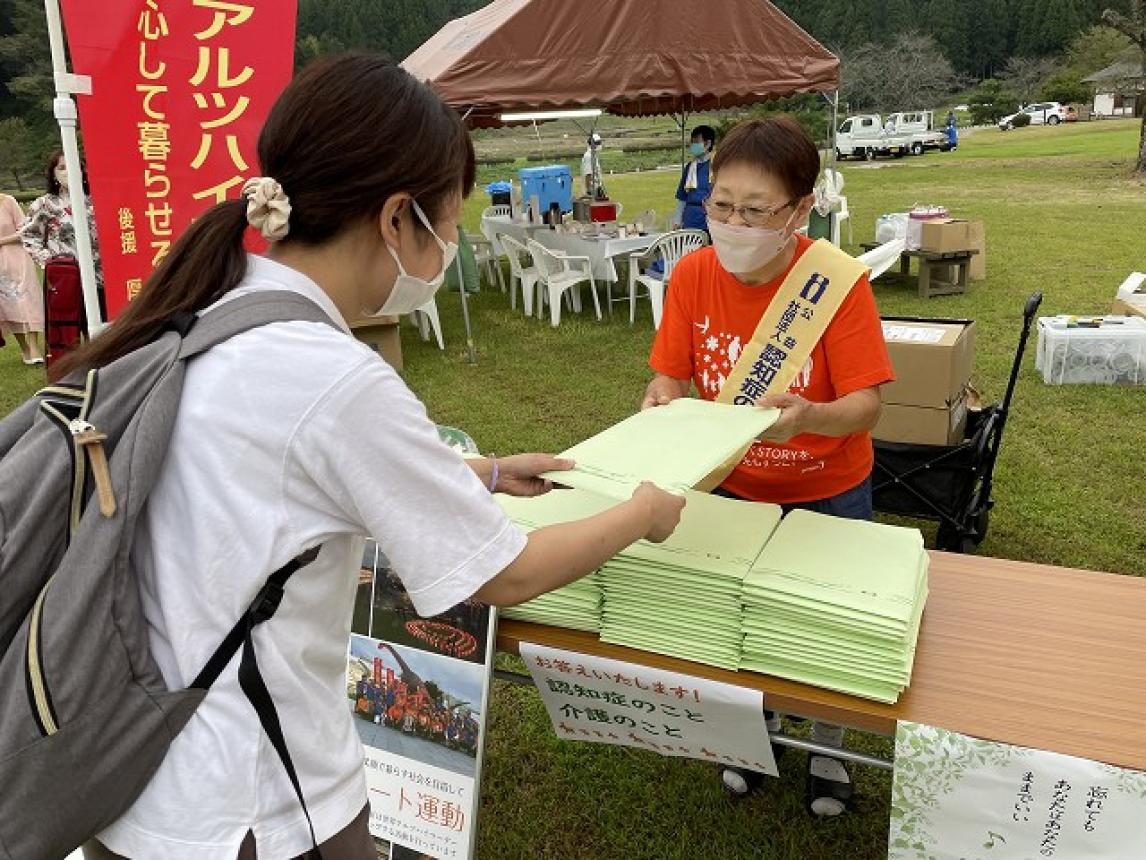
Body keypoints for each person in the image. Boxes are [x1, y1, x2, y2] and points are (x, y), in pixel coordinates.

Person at [67, 54, 683, 860]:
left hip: (134, 779)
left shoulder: (207, 311)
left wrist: (485, 473)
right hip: (256, 801)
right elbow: (507, 574)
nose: (451, 246)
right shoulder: (333, 376)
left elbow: (266, 482)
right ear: (397, 219)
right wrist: (643, 512)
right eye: (450, 222)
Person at [640, 116, 894, 817]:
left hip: (829, 488)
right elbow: (670, 374)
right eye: (720, 204)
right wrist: (662, 396)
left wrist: (809, 416)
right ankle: (755, 735)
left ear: (800, 209)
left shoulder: (833, 283)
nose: (732, 224)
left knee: (828, 627)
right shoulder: (693, 274)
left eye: (755, 211)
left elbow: (867, 406)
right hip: (734, 487)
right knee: (739, 619)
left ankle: (829, 750)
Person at [20, 151, 103, 364]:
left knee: (100, 331)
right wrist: (49, 261)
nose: (68, 172)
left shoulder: (97, 200)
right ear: (53, 173)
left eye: (74, 166)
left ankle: (101, 368)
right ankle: (70, 371)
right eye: (62, 168)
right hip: (65, 280)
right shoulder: (45, 205)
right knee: (67, 335)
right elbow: (29, 236)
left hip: (99, 278)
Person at [0, 192, 45, 364]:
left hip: (18, 258)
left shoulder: (7, 201)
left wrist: (2, 241)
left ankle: (34, 346)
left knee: (27, 300)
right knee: (7, 305)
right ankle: (24, 348)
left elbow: (25, 231)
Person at [673, 125, 715, 232]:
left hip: (709, 220)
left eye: (697, 142)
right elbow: (682, 196)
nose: (693, 145)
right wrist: (677, 220)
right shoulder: (689, 167)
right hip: (690, 219)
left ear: (708, 144)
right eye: (692, 142)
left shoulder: (715, 167)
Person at [580, 132, 604, 198]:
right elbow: (588, 175)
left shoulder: (593, 155)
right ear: (593, 144)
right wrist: (589, 191)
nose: (600, 145)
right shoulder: (588, 156)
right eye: (598, 143)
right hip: (592, 191)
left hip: (596, 189)